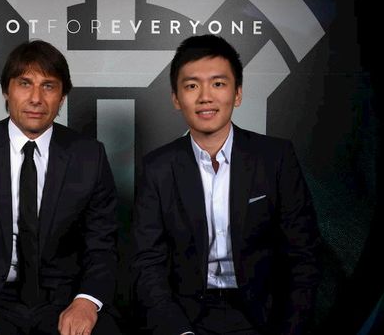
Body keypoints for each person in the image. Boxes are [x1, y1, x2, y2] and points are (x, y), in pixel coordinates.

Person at [0, 40, 120, 335]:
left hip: (64, 299)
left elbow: (103, 244)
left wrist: (86, 301)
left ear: (62, 96)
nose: (36, 98)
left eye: (49, 86)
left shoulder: (89, 155)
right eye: (25, 84)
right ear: (6, 90)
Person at [131, 35, 320, 335]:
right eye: (192, 86)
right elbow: (147, 264)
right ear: (176, 99)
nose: (205, 97)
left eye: (218, 83)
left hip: (263, 315)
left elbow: (303, 255)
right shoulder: (157, 168)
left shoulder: (275, 157)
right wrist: (177, 330)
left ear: (238, 93)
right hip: (185, 315)